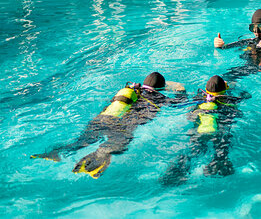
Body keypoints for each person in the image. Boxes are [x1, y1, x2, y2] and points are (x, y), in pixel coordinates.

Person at [31, 72, 186, 179]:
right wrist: (179, 87)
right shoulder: (159, 98)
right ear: (161, 88)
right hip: (122, 125)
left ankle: (56, 153)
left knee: (81, 141)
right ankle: (95, 163)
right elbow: (181, 101)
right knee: (112, 147)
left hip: (102, 119)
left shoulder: (130, 90)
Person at [160, 75, 250, 186]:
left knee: (193, 150)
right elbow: (247, 96)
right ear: (224, 90)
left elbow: (190, 115)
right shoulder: (230, 99)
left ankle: (176, 173)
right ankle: (217, 166)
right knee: (221, 149)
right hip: (220, 129)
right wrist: (233, 88)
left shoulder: (199, 97)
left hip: (200, 129)